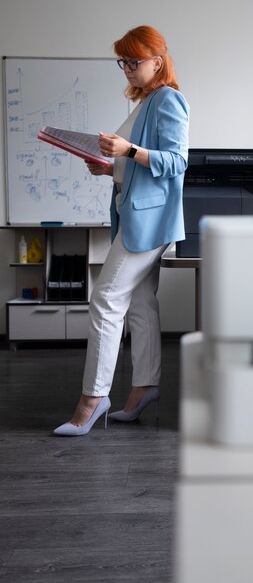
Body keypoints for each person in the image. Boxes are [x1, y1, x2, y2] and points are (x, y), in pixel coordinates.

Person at [53, 25, 190, 436]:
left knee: (105, 300)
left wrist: (127, 150)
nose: (127, 69)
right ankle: (144, 389)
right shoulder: (146, 102)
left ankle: (93, 400)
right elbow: (141, 166)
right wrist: (111, 167)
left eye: (134, 61)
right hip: (134, 215)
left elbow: (176, 162)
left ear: (157, 62)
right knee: (140, 305)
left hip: (148, 220)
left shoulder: (169, 99)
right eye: (123, 62)